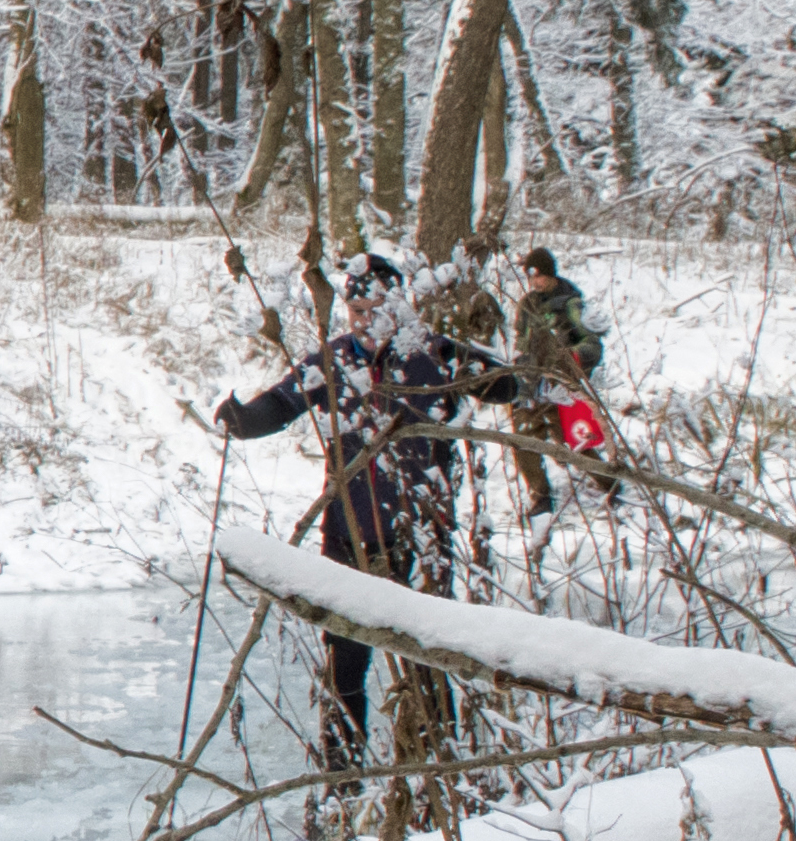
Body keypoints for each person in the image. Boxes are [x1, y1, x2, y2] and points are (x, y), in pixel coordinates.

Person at [213, 249, 511, 774]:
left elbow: (505, 383)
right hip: (349, 532)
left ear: (397, 305)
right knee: (344, 663)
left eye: (374, 309)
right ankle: (342, 781)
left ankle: (434, 774)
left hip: (419, 535)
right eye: (355, 314)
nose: (365, 322)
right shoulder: (334, 359)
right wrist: (242, 419)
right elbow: (282, 404)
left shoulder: (433, 354)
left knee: (427, 661)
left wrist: (509, 377)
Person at [506, 248, 609, 517]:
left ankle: (610, 483)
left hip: (560, 385)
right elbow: (519, 340)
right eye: (532, 278)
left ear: (551, 274)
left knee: (572, 440)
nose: (536, 283)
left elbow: (592, 342)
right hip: (529, 383)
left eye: (540, 276)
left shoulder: (571, 304)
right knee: (524, 437)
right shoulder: (526, 304)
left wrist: (577, 358)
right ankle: (540, 497)